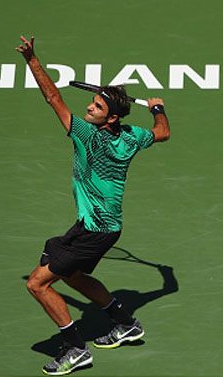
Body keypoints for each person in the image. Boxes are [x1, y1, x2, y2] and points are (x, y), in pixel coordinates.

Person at [16, 35, 170, 375]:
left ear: (110, 118)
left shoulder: (86, 135)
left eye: (97, 107)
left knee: (38, 284)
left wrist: (32, 60)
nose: (89, 107)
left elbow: (52, 96)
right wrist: (158, 108)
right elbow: (162, 132)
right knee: (73, 276)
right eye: (93, 103)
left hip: (94, 230)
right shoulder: (132, 138)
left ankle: (75, 349)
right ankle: (126, 323)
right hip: (103, 227)